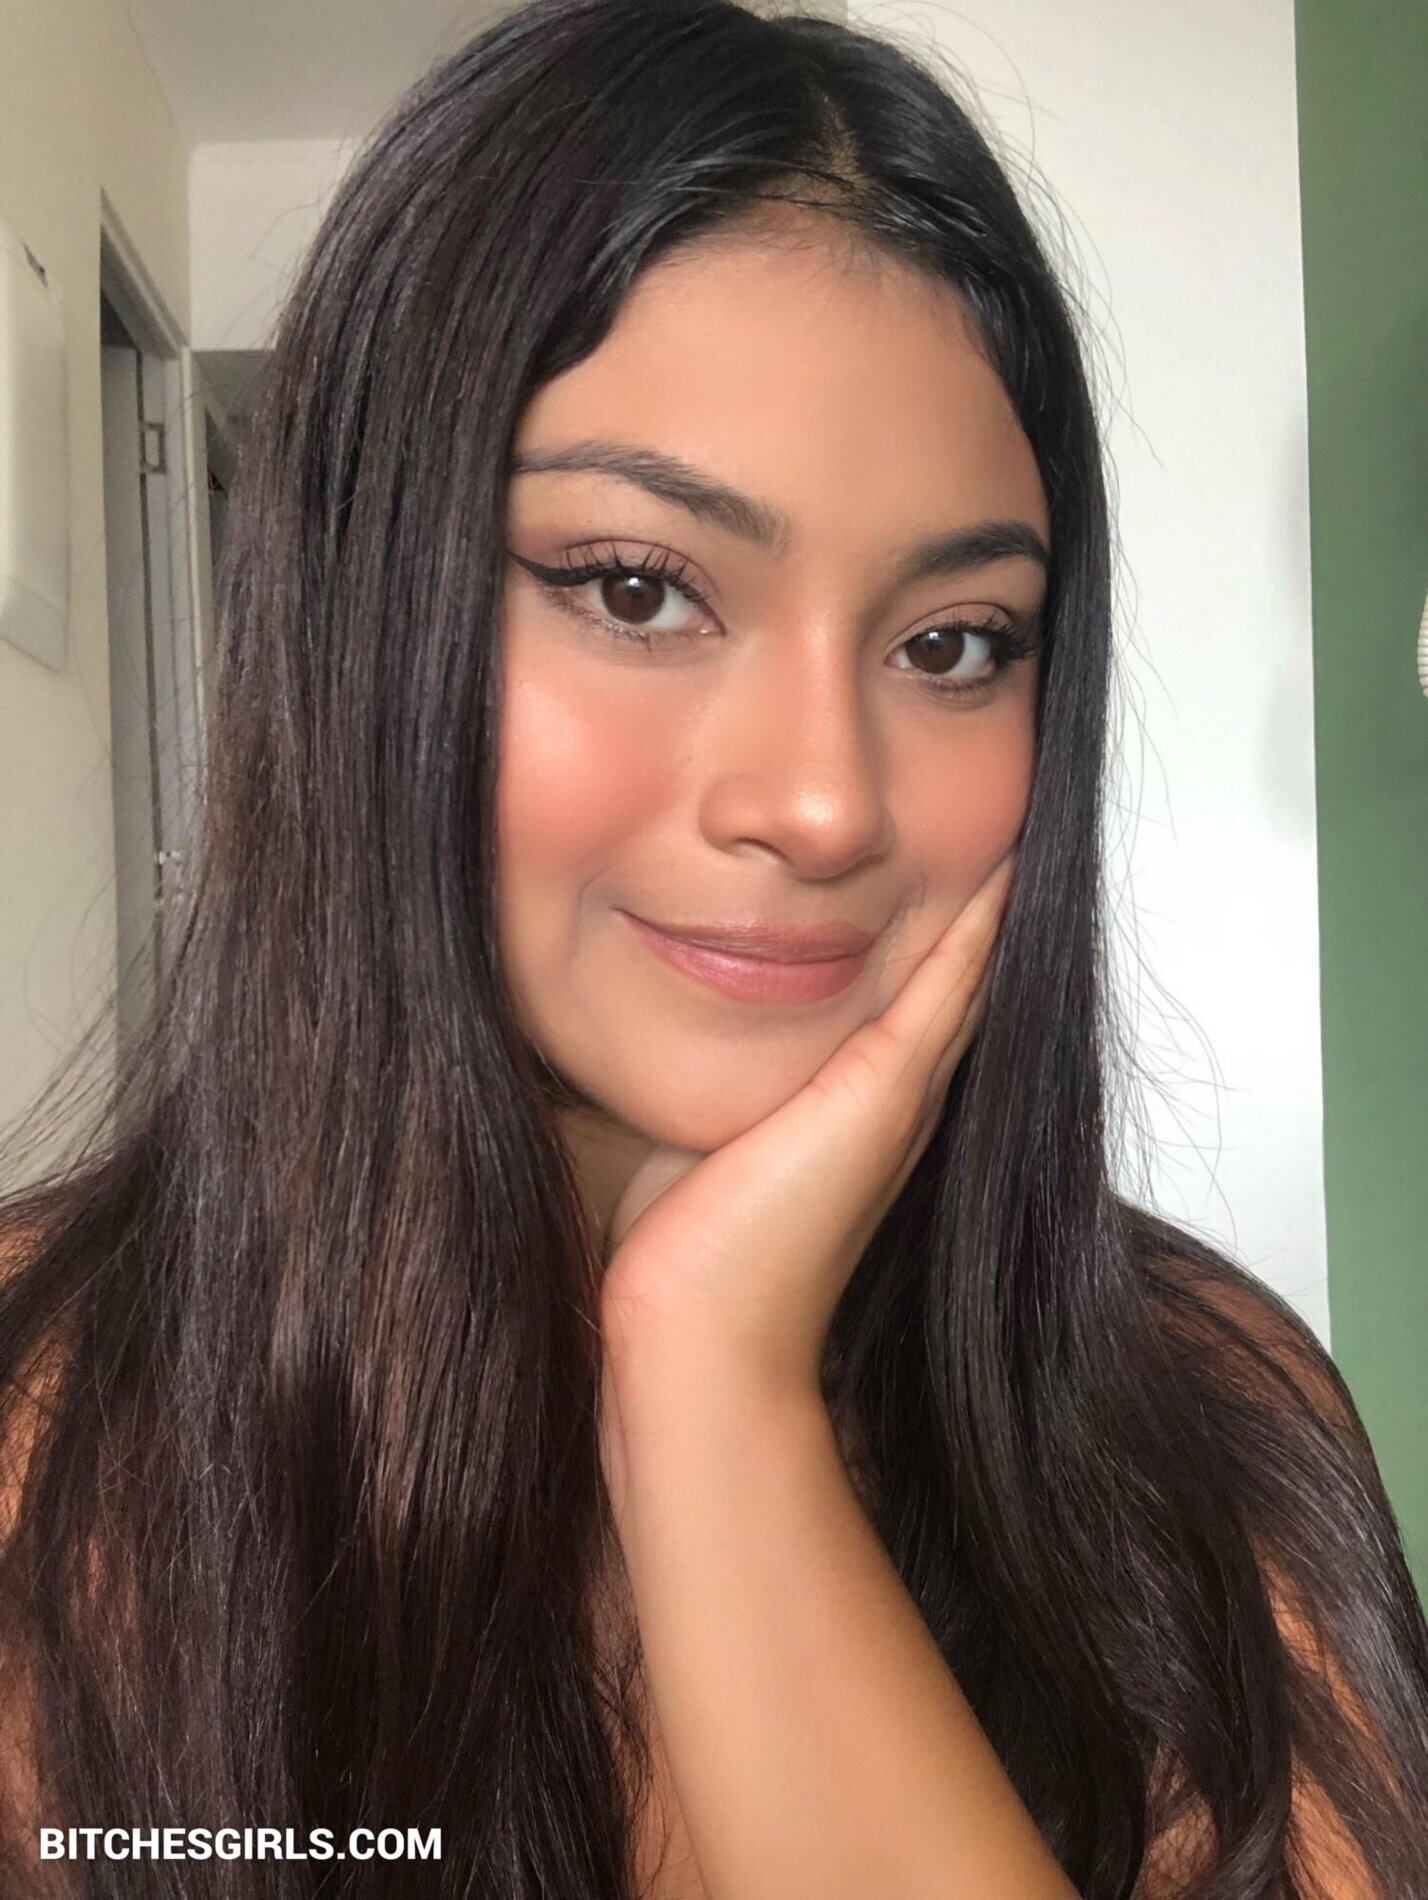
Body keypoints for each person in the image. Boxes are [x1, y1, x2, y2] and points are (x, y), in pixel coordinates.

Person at [1, 0, 1425, 1892]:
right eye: (637, 589)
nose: (826, 805)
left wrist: (715, 1397)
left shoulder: (1203, 1430)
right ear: (364, 616)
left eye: (953, 644)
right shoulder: (47, 1425)